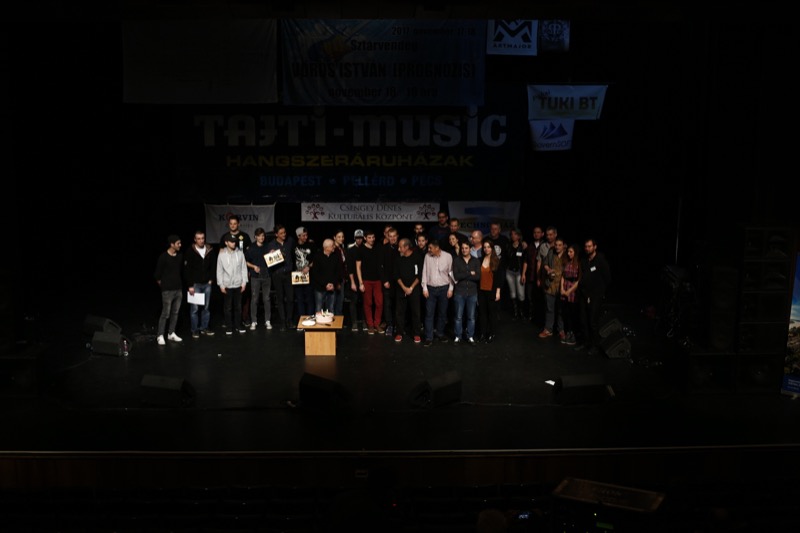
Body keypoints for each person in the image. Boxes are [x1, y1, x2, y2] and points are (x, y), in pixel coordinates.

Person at [575, 238, 611, 355]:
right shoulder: (584, 260)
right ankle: (586, 342)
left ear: (595, 247)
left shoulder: (600, 260)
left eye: (589, 246)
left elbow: (607, 278)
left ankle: (595, 345)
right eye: (586, 246)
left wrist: (598, 293)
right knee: (583, 320)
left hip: (595, 295)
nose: (587, 248)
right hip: (584, 294)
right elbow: (583, 277)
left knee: (592, 321)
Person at [219, 214, 252, 328]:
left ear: (238, 224)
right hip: (228, 274)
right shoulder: (225, 237)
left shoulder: (245, 236)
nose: (233, 225)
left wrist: (247, 270)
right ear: (228, 224)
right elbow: (220, 255)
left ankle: (244, 318)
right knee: (228, 300)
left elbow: (249, 254)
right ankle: (228, 320)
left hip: (242, 269)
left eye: (235, 223)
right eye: (231, 224)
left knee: (244, 297)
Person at [183, 230, 216, 339]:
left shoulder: (209, 250)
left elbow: (213, 266)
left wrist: (211, 279)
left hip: (207, 284)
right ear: (195, 239)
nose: (201, 240)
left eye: (202, 238)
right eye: (199, 239)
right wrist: (190, 285)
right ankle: (195, 330)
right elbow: (187, 270)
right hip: (195, 285)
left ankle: (204, 327)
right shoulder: (190, 251)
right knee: (195, 309)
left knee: (206, 307)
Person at [421, 239, 453, 347]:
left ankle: (440, 333)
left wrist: (451, 288)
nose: (428, 249)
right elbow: (424, 271)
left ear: (437, 248)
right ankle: (429, 337)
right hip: (431, 289)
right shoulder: (427, 256)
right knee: (429, 313)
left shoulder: (448, 256)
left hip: (444, 288)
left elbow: (451, 273)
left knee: (442, 313)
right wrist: (424, 288)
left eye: (430, 248)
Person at [154, 234, 184, 345]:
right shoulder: (163, 257)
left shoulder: (179, 256)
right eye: (178, 243)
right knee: (165, 313)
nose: (180, 245)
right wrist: (165, 286)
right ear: (172, 244)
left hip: (178, 289)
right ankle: (160, 335)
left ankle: (171, 333)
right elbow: (157, 275)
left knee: (175, 313)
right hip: (167, 290)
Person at [217, 234, 248, 335]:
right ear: (226, 242)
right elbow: (219, 270)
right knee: (228, 308)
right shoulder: (222, 255)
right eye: (231, 241)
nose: (234, 243)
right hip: (227, 285)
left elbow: (244, 268)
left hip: (238, 284)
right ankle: (229, 327)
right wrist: (221, 285)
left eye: (234, 241)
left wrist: (244, 282)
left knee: (238, 307)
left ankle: (238, 325)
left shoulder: (240, 253)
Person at [266, 224, 296, 331]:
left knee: (291, 298)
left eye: (285, 232)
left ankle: (289, 320)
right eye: (281, 233)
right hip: (277, 274)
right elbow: (268, 261)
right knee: (280, 298)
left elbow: (297, 249)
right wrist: (271, 254)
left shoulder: (290, 241)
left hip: (288, 273)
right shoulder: (271, 245)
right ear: (276, 234)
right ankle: (283, 322)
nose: (284, 235)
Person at [393, 238, 422, 343]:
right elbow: (396, 275)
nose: (398, 249)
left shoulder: (417, 258)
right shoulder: (398, 259)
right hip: (401, 289)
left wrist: (411, 288)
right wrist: (404, 288)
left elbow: (419, 275)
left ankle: (417, 334)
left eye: (400, 247)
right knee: (399, 312)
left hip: (414, 289)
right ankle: (399, 333)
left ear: (406, 247)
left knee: (415, 312)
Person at [452, 241, 480, 345]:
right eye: (462, 248)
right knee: (458, 316)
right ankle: (458, 336)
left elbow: (477, 277)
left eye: (466, 248)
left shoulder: (476, 261)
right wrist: (469, 273)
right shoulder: (457, 260)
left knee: (471, 317)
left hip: (472, 292)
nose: (464, 250)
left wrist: (463, 274)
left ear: (470, 249)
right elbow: (456, 276)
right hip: (460, 292)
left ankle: (470, 336)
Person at [356, 229, 384, 334]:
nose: (372, 239)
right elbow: (358, 267)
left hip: (377, 280)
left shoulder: (377, 248)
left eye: (373, 237)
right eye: (369, 238)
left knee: (379, 302)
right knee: (368, 303)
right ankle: (370, 325)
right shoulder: (361, 249)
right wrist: (360, 283)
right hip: (366, 280)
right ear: (365, 238)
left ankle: (377, 324)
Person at [245, 227, 272, 330]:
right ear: (255, 237)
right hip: (255, 277)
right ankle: (254, 321)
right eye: (260, 236)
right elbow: (246, 261)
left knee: (266, 299)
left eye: (263, 236)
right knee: (254, 299)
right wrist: (253, 267)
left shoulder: (268, 246)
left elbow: (273, 258)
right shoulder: (251, 248)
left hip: (266, 275)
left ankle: (267, 321)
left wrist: (272, 253)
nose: (262, 237)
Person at [539, 237, 566, 340]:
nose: (557, 247)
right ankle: (548, 329)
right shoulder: (551, 252)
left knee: (560, 310)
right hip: (550, 285)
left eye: (560, 245)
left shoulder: (566, 255)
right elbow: (545, 263)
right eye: (556, 245)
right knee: (549, 308)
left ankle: (561, 330)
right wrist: (548, 269)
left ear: (563, 246)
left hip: (561, 286)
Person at [477, 239, 503, 343]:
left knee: (492, 314)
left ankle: (492, 334)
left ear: (492, 248)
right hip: (481, 291)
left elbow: (499, 278)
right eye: (485, 247)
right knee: (482, 314)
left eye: (488, 247)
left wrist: (498, 292)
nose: (486, 249)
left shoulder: (497, 261)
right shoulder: (480, 260)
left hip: (492, 291)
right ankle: (483, 334)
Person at [310, 238, 341, 313]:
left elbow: (338, 272)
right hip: (320, 288)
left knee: (331, 309)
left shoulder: (336, 256)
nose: (334, 247)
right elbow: (315, 274)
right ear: (326, 247)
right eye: (332, 246)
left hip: (332, 287)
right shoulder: (317, 256)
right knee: (319, 308)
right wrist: (325, 284)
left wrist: (333, 284)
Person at [522, 226, 545, 325]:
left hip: (541, 277)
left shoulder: (545, 245)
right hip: (530, 276)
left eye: (538, 232)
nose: (536, 234)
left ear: (542, 234)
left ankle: (539, 317)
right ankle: (530, 315)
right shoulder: (529, 246)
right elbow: (526, 261)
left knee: (539, 298)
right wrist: (523, 274)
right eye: (535, 232)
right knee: (529, 297)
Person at [560, 243, 581, 346]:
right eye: (568, 251)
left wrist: (569, 291)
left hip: (573, 289)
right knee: (566, 312)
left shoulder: (578, 264)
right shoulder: (566, 262)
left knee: (573, 313)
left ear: (575, 253)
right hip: (565, 287)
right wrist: (562, 288)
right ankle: (568, 332)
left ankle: (573, 333)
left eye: (571, 252)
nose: (568, 253)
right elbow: (563, 276)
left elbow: (578, 280)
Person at [293, 226, 316, 323]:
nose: (306, 237)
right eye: (303, 235)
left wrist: (308, 267)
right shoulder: (293, 246)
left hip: (309, 276)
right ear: (298, 236)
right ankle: (302, 321)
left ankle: (310, 319)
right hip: (297, 277)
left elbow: (315, 259)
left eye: (306, 235)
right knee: (299, 299)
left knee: (309, 299)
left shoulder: (311, 245)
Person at [381, 227, 400, 337]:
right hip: (387, 282)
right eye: (390, 236)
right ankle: (390, 325)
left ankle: (398, 325)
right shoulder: (383, 249)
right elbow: (380, 266)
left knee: (398, 305)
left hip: (399, 283)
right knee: (387, 305)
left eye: (394, 236)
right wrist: (384, 281)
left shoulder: (401, 248)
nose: (392, 238)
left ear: (397, 236)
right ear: (387, 237)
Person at [504, 227, 526, 320]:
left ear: (519, 236)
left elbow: (525, 261)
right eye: (512, 234)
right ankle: (516, 313)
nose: (513, 236)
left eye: (515, 234)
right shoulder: (508, 246)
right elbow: (505, 259)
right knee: (512, 294)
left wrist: (523, 274)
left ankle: (521, 312)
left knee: (521, 294)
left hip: (519, 272)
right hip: (510, 272)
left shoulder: (523, 246)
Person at [346, 229, 365, 331]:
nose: (359, 240)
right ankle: (354, 322)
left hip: (364, 279)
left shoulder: (365, 248)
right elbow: (349, 268)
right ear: (354, 238)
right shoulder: (350, 250)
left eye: (360, 238)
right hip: (354, 279)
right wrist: (352, 282)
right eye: (357, 238)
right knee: (353, 301)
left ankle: (364, 321)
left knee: (364, 301)